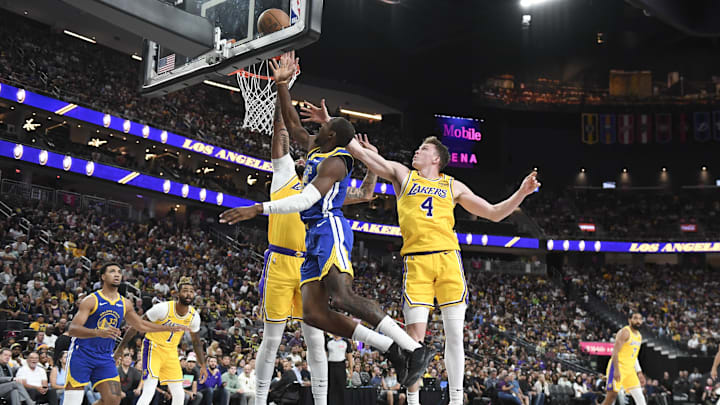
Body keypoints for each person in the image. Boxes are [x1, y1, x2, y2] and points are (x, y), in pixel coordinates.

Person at [219, 51, 435, 389]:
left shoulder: (336, 163)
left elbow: (307, 199)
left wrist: (257, 209)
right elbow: (290, 122)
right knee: (314, 315)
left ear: (332, 137)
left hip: (329, 228)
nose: (316, 127)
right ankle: (391, 349)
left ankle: (413, 348)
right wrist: (282, 86)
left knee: (343, 297)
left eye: (324, 126)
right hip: (311, 238)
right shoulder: (314, 148)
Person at [302, 104, 539, 405]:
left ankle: (455, 401)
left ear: (436, 158)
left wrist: (521, 193)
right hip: (417, 262)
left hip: (449, 259)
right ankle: (413, 403)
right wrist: (334, 125)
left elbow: (493, 213)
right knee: (414, 338)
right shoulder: (403, 175)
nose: (416, 152)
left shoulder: (453, 185)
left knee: (455, 335)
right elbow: (363, 155)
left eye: (422, 149)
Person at [246, 95, 377, 405]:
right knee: (272, 339)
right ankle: (259, 400)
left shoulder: (327, 190)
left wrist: (371, 162)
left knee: (315, 339)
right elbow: (282, 133)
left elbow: (368, 193)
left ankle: (321, 402)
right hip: (279, 262)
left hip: (309, 265)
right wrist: (282, 94)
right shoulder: (284, 175)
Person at [64, 263, 188, 405]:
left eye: (119, 271)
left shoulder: (125, 303)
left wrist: (166, 328)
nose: (117, 274)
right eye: (112, 271)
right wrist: (97, 332)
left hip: (105, 356)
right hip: (82, 354)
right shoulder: (91, 300)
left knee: (114, 399)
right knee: (72, 401)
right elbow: (73, 329)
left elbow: (140, 324)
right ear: (103, 277)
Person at [115, 277, 206, 405]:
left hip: (171, 352)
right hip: (153, 348)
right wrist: (120, 348)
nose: (189, 294)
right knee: (149, 390)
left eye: (191, 291)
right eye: (185, 290)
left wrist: (202, 365)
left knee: (179, 393)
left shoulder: (194, 316)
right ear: (178, 294)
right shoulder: (163, 308)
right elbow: (137, 325)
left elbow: (196, 342)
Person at [601, 311, 646, 405]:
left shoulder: (639, 336)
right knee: (611, 397)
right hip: (618, 367)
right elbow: (615, 352)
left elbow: (634, 356)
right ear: (630, 320)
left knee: (640, 397)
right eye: (635, 318)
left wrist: (639, 372)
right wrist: (616, 370)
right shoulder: (625, 332)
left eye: (640, 319)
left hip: (630, 371)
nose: (638, 321)